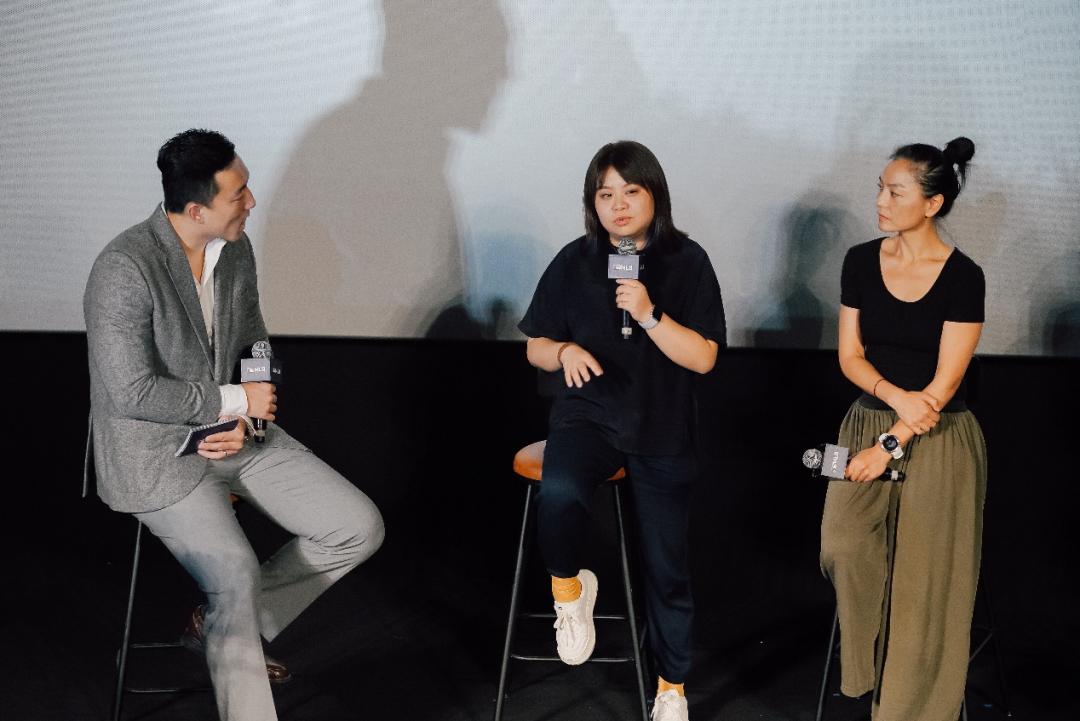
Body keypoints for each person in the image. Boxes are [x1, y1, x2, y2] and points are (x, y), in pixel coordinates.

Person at [83, 129, 384, 721]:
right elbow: (129, 392)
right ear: (196, 209)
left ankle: (223, 626)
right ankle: (237, 641)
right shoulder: (123, 268)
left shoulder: (235, 249)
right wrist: (229, 400)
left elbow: (254, 343)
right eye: (238, 192)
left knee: (358, 527)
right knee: (235, 574)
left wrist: (247, 416)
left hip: (237, 436)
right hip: (157, 455)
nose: (253, 200)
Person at [518, 140, 726, 721]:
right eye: (605, 194)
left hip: (661, 422)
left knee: (666, 565)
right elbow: (535, 346)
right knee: (559, 493)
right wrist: (562, 351)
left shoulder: (687, 261)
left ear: (654, 194)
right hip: (588, 417)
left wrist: (649, 314)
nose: (618, 205)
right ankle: (570, 591)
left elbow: (705, 358)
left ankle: (671, 688)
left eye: (630, 191)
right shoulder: (574, 260)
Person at [819, 137, 986, 721]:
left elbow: (944, 385)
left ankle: (907, 709)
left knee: (923, 581)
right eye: (880, 190)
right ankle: (866, 672)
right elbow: (850, 356)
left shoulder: (964, 277)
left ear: (932, 203)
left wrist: (891, 444)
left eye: (896, 192)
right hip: (869, 418)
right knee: (842, 545)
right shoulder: (860, 261)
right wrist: (892, 402)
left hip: (939, 436)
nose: (881, 202)